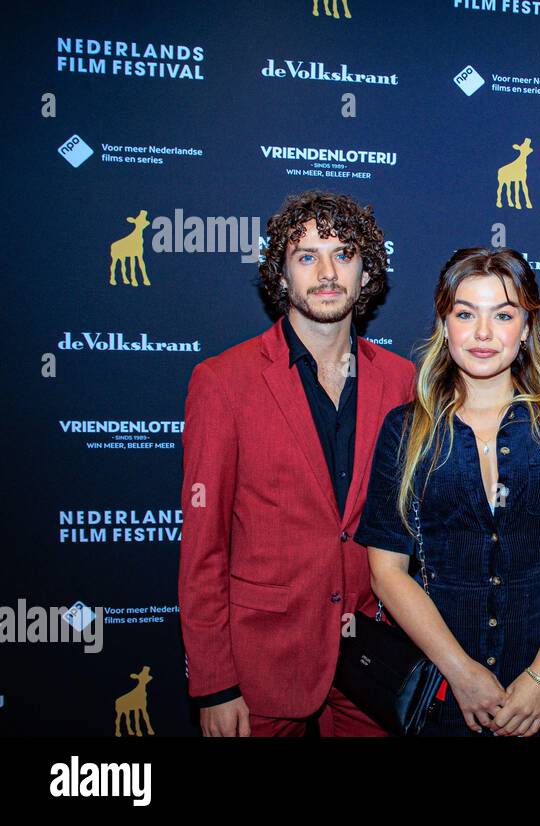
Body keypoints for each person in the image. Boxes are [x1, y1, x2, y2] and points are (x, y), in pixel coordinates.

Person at [355, 247, 540, 737]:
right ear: (445, 324)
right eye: (464, 313)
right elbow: (386, 572)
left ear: (525, 328)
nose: (482, 333)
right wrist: (461, 672)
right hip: (443, 690)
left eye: (502, 314)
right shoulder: (406, 430)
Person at [179, 190, 416, 736]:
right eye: (307, 256)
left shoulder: (402, 381)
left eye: (344, 254)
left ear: (367, 271)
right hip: (262, 662)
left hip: (372, 654)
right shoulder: (223, 382)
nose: (327, 272)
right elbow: (203, 547)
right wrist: (214, 682)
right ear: (282, 275)